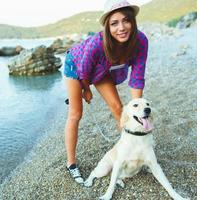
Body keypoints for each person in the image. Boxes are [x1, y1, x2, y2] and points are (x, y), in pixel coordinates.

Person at [63, 0, 148, 184]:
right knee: (76, 113)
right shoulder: (96, 44)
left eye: (126, 20)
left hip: (101, 69)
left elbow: (137, 76)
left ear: (133, 21)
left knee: (120, 108)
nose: (121, 27)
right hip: (76, 66)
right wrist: (86, 89)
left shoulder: (141, 41)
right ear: (107, 26)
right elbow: (84, 70)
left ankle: (130, 151)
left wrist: (137, 111)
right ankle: (71, 163)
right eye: (114, 23)